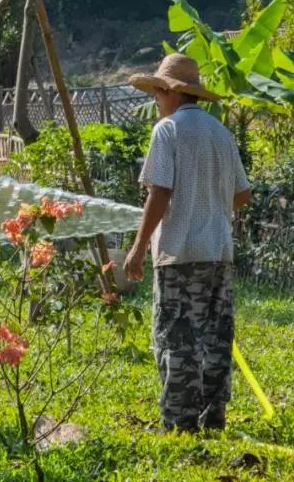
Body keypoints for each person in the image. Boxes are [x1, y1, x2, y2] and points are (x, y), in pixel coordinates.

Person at [123, 53, 251, 432]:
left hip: (180, 253)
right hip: (219, 253)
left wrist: (138, 246)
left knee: (177, 336)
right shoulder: (220, 133)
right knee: (214, 337)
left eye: (157, 94)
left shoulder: (168, 131)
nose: (155, 101)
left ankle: (179, 422)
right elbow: (242, 194)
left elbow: (159, 192)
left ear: (170, 92)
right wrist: (210, 203)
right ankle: (212, 417)